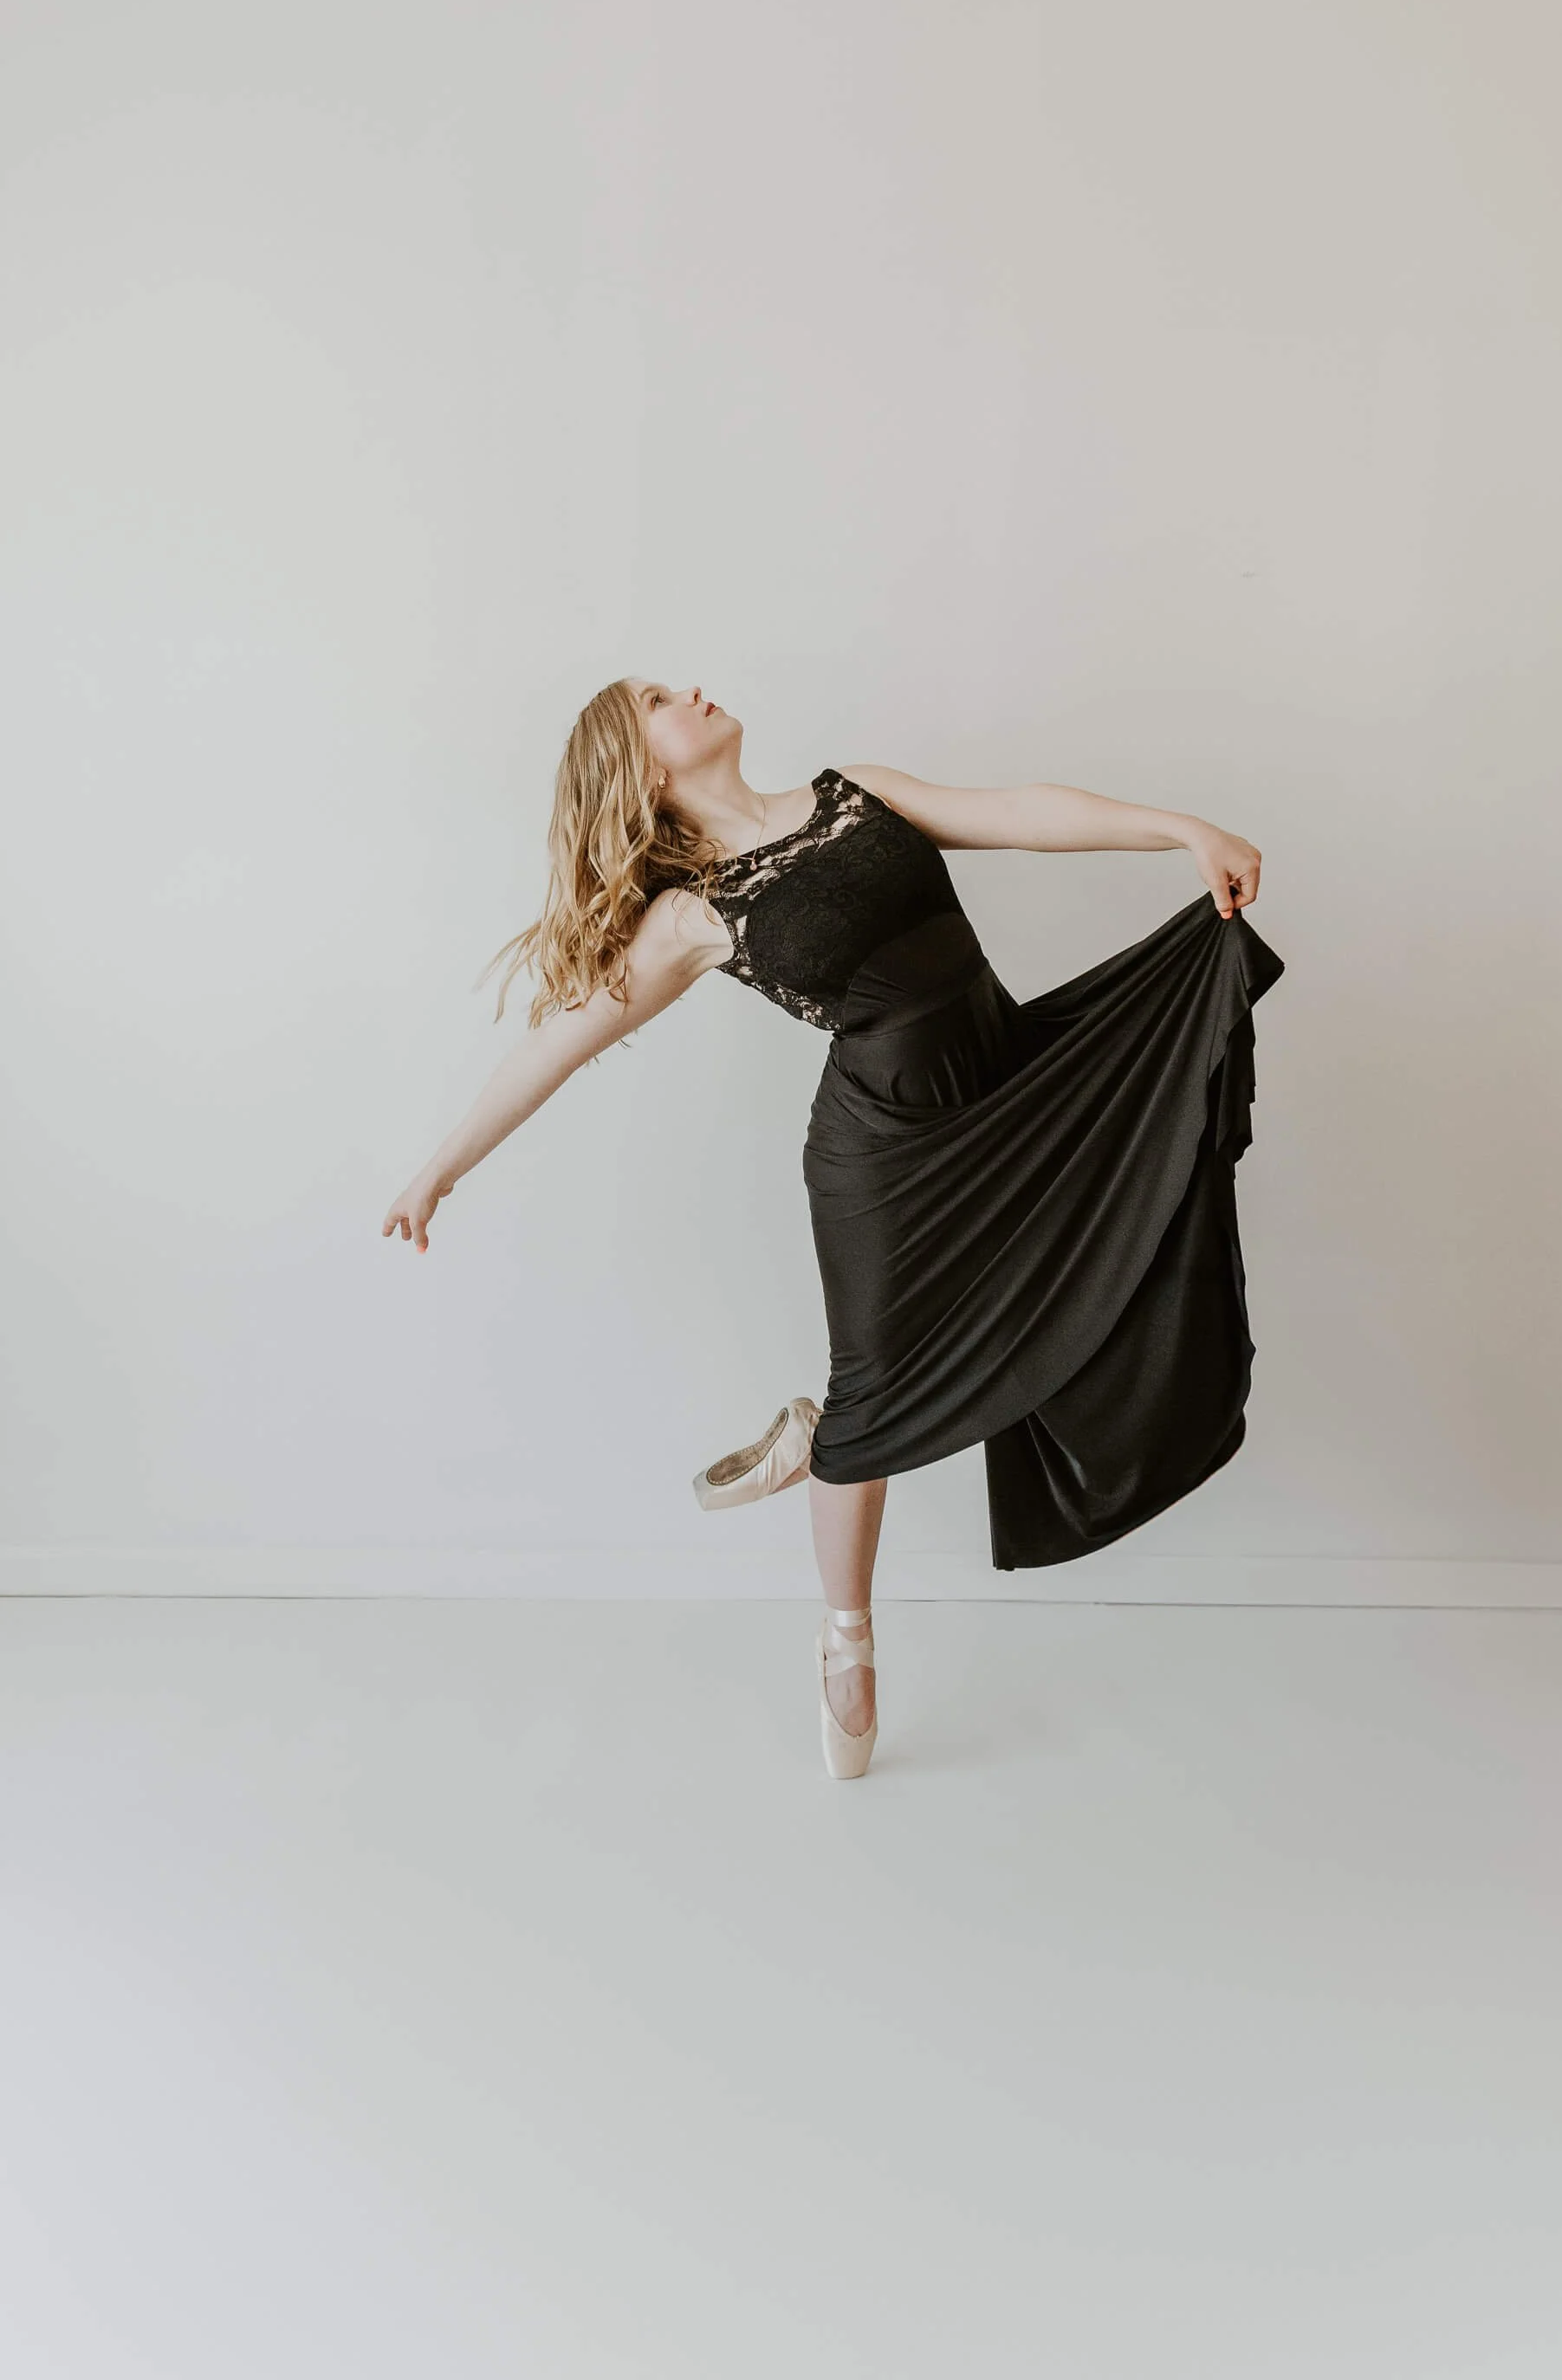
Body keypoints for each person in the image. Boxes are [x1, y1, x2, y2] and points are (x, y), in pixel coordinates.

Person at [383, 679, 1285, 1779]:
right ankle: (845, 1637)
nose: (691, 690)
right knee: (871, 1398)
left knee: (1101, 1254)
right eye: (660, 699)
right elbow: (555, 1046)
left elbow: (1018, 812)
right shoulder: (690, 916)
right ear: (639, 766)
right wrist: (438, 1171)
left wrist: (1180, 830)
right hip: (880, 1160)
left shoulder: (852, 792)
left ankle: (812, 1444)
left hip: (1007, 1099)